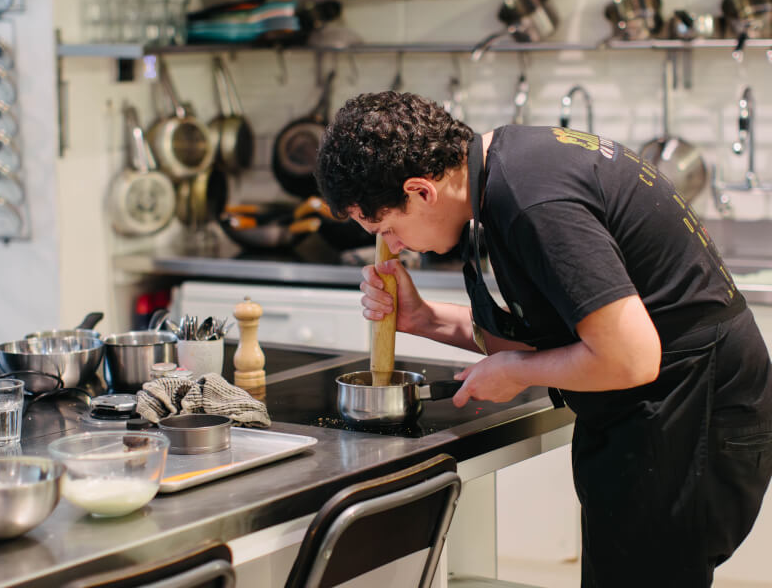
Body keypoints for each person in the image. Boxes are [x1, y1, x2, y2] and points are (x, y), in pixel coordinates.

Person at [315, 91, 772, 587]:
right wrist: (424, 318)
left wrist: (515, 374)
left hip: (688, 416)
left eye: (389, 228)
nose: (395, 246)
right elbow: (569, 338)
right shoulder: (508, 166)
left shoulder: (534, 203)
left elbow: (630, 357)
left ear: (422, 191)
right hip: (668, 412)